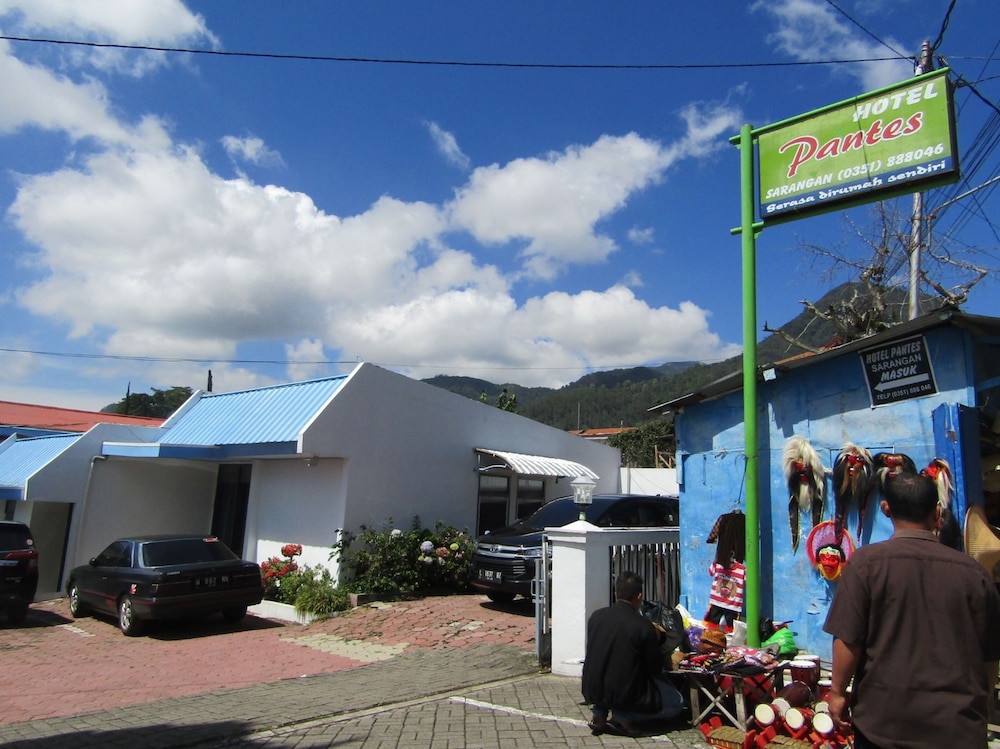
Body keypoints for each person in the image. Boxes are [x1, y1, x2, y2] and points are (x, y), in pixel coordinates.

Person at [823, 470, 1000, 749]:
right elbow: (990, 656)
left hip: (884, 727)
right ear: (937, 512)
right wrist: (982, 701)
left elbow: (848, 639)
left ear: (885, 509)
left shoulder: (866, 564)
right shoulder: (976, 575)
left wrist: (837, 693)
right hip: (957, 728)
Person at [581, 571, 685, 736]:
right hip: (624, 692)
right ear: (639, 596)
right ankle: (625, 716)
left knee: (609, 677)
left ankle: (599, 714)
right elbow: (654, 667)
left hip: (591, 687)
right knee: (677, 702)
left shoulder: (596, 617)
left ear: (616, 593)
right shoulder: (643, 626)